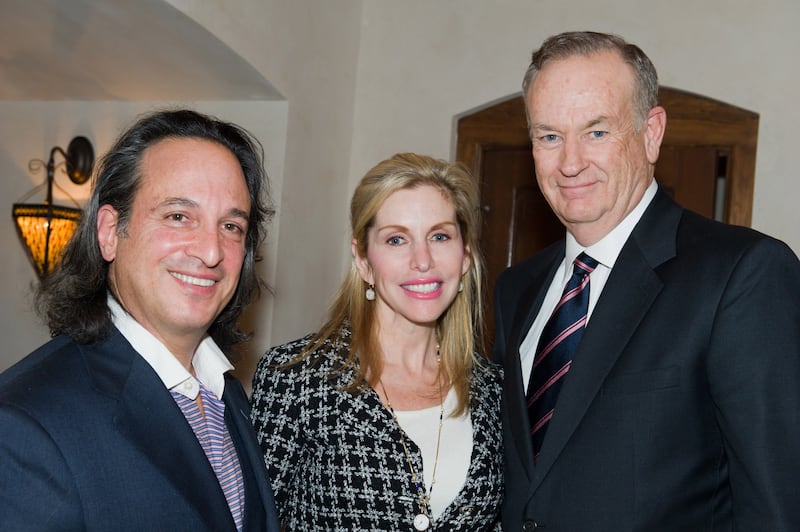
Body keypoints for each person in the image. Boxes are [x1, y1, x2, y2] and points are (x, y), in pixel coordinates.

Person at [494, 30, 800, 530]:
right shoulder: (516, 290)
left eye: (596, 132)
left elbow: (777, 504)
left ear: (651, 133)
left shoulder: (743, 274)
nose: (570, 163)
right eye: (549, 136)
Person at [0, 109, 280, 531]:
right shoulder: (24, 426)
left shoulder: (227, 394)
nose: (211, 251)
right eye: (178, 216)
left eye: (231, 226)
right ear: (110, 231)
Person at [251, 152, 503, 531]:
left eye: (439, 236)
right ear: (364, 259)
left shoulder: (494, 390)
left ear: (465, 255)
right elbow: (251, 521)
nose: (423, 260)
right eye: (397, 239)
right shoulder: (296, 377)